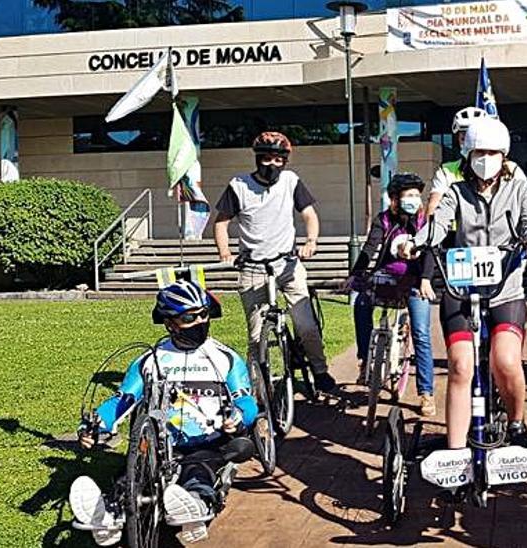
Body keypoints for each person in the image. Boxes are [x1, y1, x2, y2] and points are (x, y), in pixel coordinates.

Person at [69, 281, 258, 546]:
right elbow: (123, 399)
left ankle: (194, 502)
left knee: (199, 471)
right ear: (169, 323)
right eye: (189, 317)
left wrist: (238, 417)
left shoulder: (225, 357)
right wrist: (97, 424)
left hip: (207, 442)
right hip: (159, 446)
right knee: (130, 479)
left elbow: (246, 401)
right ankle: (108, 514)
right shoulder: (149, 360)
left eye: (203, 314)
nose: (200, 321)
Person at [402, 117, 527, 450]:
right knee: (460, 366)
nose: (486, 159)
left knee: (506, 361)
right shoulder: (456, 192)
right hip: (461, 291)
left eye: (493, 153)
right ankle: (454, 451)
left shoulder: (519, 189)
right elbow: (437, 225)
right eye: (479, 152)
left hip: (504, 292)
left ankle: (516, 422)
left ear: (504, 155)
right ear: (467, 156)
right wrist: (416, 241)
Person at [213, 131, 334, 391]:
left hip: (287, 265)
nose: (272, 164)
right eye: (267, 158)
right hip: (253, 267)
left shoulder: (291, 181)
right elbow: (221, 223)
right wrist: (225, 253)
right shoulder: (239, 185)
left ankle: (320, 370)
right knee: (256, 336)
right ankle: (254, 388)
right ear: (258, 159)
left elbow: (310, 215)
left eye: (279, 160)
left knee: (306, 326)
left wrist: (310, 242)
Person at [348, 173, 438, 417]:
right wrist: (356, 275)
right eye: (408, 195)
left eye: (417, 195)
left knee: (420, 332)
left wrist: (426, 280)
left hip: (415, 282)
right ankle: (365, 358)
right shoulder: (383, 220)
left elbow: (430, 251)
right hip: (385, 277)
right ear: (394, 199)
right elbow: (369, 248)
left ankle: (426, 393)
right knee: (361, 303)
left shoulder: (424, 221)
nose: (414, 200)